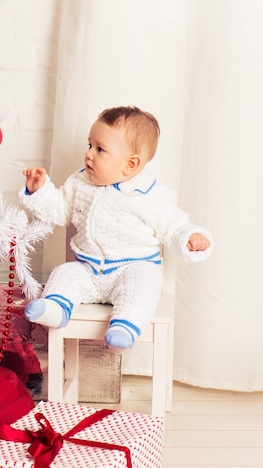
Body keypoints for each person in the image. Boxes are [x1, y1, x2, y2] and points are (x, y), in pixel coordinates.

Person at [19, 106, 213, 353]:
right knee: (65, 272)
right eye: (89, 145)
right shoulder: (79, 183)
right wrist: (39, 191)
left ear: (130, 164)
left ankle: (125, 327)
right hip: (89, 270)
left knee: (143, 284)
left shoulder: (150, 195)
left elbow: (173, 224)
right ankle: (56, 307)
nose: (89, 155)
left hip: (131, 269)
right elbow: (58, 211)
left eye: (100, 149)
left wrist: (190, 237)